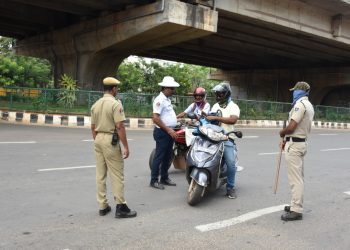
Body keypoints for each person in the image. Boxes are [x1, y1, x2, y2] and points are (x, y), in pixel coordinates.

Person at [90, 77, 136, 218]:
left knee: (100, 174)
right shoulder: (115, 104)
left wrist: (99, 140)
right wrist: (126, 147)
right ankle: (121, 207)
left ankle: (103, 206)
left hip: (98, 138)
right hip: (111, 140)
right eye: (117, 88)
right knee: (117, 174)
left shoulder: (95, 105)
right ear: (114, 89)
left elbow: (92, 127)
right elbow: (120, 126)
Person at [279, 81, 314, 221]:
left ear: (300, 91)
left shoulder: (300, 105)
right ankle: (295, 204)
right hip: (300, 143)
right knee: (298, 177)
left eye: (295, 90)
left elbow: (292, 127)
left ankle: (296, 210)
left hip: (295, 145)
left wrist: (282, 133)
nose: (293, 93)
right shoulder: (309, 105)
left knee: (295, 179)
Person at [205, 81, 240, 199]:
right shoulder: (215, 106)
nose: (218, 96)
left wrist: (215, 117)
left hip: (226, 138)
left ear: (227, 94)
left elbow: (232, 120)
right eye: (217, 93)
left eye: (221, 93)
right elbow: (209, 119)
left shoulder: (233, 106)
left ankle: (230, 187)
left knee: (231, 163)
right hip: (212, 136)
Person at [150, 76, 180, 190]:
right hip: (163, 132)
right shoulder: (159, 100)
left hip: (169, 132)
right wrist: (168, 129)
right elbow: (155, 118)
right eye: (172, 88)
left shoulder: (167, 99)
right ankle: (154, 180)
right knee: (159, 156)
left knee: (167, 156)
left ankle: (164, 178)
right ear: (165, 88)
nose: (173, 91)